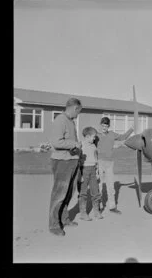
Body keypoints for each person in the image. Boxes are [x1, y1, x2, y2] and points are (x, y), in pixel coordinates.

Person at [48, 98, 82, 236]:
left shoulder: (71, 121)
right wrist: (74, 144)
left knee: (68, 194)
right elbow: (56, 142)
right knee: (59, 195)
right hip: (62, 162)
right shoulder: (60, 120)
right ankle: (54, 225)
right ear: (75, 108)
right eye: (79, 111)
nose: (78, 114)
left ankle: (64, 219)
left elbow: (68, 141)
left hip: (72, 161)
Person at [97, 117, 134, 214]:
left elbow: (123, 137)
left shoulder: (112, 134)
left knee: (110, 185)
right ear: (100, 125)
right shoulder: (96, 135)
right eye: (103, 125)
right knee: (99, 185)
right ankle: (99, 206)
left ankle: (112, 206)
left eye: (106, 126)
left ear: (108, 126)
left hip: (109, 163)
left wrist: (131, 129)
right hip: (99, 162)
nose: (104, 127)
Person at [79, 126, 103, 221]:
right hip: (84, 170)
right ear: (87, 136)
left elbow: (96, 159)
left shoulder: (93, 146)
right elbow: (78, 160)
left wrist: (97, 172)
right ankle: (83, 213)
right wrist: (80, 175)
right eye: (93, 137)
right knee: (83, 193)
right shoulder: (81, 145)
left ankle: (96, 211)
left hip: (93, 170)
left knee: (95, 192)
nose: (94, 138)